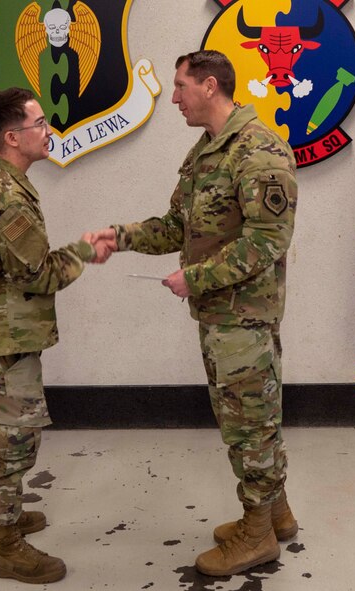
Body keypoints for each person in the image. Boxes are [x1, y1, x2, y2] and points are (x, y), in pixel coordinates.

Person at [86, 50, 299, 577]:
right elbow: (177, 225)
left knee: (249, 424)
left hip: (244, 316)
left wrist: (196, 277)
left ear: (209, 85)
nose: (175, 98)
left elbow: (269, 239)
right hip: (219, 315)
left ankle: (257, 535)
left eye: (181, 87)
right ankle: (276, 514)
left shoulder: (258, 150)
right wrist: (124, 236)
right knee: (247, 417)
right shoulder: (206, 152)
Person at [0, 87, 109, 585]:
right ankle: (5, 547)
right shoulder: (5, 197)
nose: (49, 131)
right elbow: (38, 274)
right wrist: (83, 251)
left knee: (3, 433)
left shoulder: (1, 185)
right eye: (40, 124)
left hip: (1, 333)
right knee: (14, 440)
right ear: (13, 137)